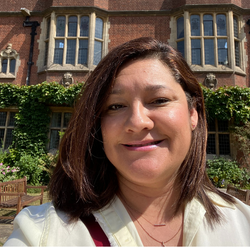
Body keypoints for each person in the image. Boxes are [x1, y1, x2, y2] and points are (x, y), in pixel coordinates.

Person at [5, 37, 250, 246]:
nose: (137, 121)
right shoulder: (41, 233)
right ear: (98, 125)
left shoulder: (242, 224)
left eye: (159, 100)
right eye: (115, 106)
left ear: (193, 113)